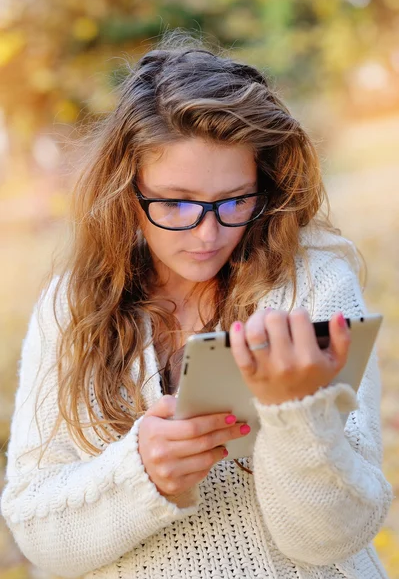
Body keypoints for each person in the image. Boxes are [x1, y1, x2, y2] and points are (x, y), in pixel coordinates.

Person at [0, 30, 393, 579]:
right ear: (126, 191)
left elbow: (332, 539)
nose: (208, 233)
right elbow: (37, 529)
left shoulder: (313, 282)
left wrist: (298, 417)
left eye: (234, 199)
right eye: (177, 203)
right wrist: (142, 474)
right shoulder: (70, 306)